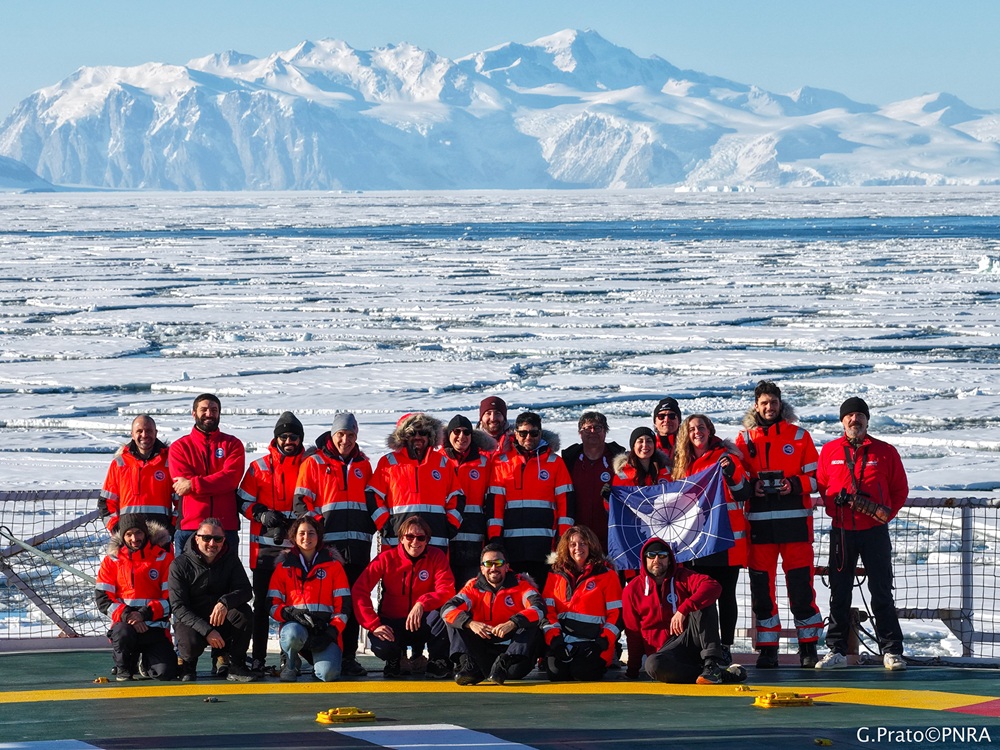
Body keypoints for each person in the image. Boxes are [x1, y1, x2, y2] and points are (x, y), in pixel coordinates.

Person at [815, 397, 909, 672]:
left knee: (881, 591)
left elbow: (899, 490)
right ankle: (836, 650)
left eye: (859, 415)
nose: (854, 420)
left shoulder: (885, 452)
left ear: (867, 419)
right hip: (842, 531)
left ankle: (891, 651)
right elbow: (823, 486)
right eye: (850, 416)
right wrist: (836, 508)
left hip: (874, 532)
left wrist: (883, 515)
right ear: (842, 421)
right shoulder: (829, 451)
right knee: (839, 592)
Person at [735, 381, 823, 669]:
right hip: (759, 528)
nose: (769, 407)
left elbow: (818, 479)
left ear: (780, 404)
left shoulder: (799, 436)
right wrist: (753, 486)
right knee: (762, 590)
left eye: (773, 402)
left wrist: (792, 484)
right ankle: (768, 649)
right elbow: (736, 480)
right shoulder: (744, 440)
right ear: (756, 405)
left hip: (795, 524)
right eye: (764, 403)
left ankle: (808, 647)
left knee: (801, 588)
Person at [293, 412, 374, 677]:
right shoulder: (314, 462)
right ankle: (308, 652)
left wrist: (369, 527)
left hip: (359, 548)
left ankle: (348, 657)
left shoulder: (364, 464)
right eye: (341, 434)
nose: (346, 440)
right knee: (324, 604)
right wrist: (321, 536)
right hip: (328, 551)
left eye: (351, 435)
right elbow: (301, 504)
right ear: (332, 434)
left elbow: (372, 502)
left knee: (349, 605)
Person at [672, 414, 750, 666]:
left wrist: (730, 474)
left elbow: (744, 491)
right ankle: (706, 647)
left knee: (726, 596)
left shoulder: (726, 456)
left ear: (710, 430)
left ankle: (725, 646)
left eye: (701, 428)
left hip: (725, 541)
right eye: (692, 429)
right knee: (701, 597)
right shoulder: (682, 463)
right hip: (696, 543)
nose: (697, 432)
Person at [622, 537, 747, 685]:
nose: (657, 560)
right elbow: (633, 633)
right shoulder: (632, 590)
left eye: (662, 555)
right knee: (653, 665)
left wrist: (684, 608)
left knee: (704, 600)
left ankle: (711, 664)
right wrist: (633, 670)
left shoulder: (683, 576)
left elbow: (713, 586)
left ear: (669, 559)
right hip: (664, 654)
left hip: (690, 641)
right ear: (644, 559)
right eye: (651, 555)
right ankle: (719, 676)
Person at [237, 411, 306, 673]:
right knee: (263, 606)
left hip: (297, 551)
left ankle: (290, 656)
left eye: (294, 436)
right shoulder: (259, 467)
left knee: (294, 605)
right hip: (264, 552)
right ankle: (258, 657)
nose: (289, 440)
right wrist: (261, 513)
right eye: (284, 436)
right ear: (276, 438)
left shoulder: (309, 466)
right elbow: (242, 500)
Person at [352, 515, 456, 678]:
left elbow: (447, 590)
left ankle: (437, 661)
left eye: (421, 537)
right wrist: (373, 624)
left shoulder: (436, 556)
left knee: (446, 617)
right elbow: (360, 590)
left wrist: (422, 603)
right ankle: (394, 660)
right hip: (392, 623)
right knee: (382, 646)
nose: (415, 542)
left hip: (422, 622)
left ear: (427, 540)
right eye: (410, 537)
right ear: (401, 538)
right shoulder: (386, 558)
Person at [487, 411, 574, 591]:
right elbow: (495, 505)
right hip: (512, 546)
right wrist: (495, 539)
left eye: (534, 433)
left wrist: (563, 540)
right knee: (513, 596)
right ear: (515, 433)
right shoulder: (501, 462)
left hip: (544, 546)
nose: (528, 437)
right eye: (523, 433)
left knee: (545, 594)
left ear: (540, 434)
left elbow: (566, 504)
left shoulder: (555, 463)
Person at [168, 518, 257, 682]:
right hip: (192, 620)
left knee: (243, 614)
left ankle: (235, 663)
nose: (212, 543)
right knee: (190, 644)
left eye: (218, 539)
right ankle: (188, 662)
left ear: (224, 540)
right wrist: (207, 630)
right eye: (206, 538)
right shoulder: (179, 565)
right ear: (196, 538)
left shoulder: (231, 560)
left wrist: (225, 602)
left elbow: (245, 591)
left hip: (220, 618)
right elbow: (178, 607)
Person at [442, 543, 544, 685]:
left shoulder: (522, 586)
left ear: (507, 566)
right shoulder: (472, 587)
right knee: (454, 619)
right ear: (482, 568)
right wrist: (469, 623)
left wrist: (513, 623)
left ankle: (503, 662)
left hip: (513, 656)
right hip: (484, 646)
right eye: (489, 564)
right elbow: (447, 609)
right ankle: (469, 667)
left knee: (532, 620)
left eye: (498, 563)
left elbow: (539, 608)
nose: (494, 568)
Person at [268, 514, 350, 682]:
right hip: (297, 629)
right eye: (302, 533)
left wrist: (331, 633)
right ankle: (291, 664)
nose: (307, 537)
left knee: (328, 675)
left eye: (311, 533)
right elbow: (271, 604)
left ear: (318, 536)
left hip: (324, 630)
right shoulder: (283, 567)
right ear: (294, 537)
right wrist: (289, 613)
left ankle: (317, 658)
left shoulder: (334, 566)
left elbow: (343, 606)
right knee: (291, 634)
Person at [367, 412, 463, 553]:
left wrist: (451, 525)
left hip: (434, 540)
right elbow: (373, 495)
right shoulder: (388, 462)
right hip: (397, 540)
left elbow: (457, 496)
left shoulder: (442, 463)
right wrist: (385, 525)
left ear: (431, 436)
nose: (418, 437)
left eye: (423, 432)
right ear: (403, 437)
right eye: (412, 433)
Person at [95, 515, 176, 681]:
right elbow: (103, 599)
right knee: (122, 635)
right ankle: (124, 666)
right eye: (129, 534)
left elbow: (172, 598)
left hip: (155, 627)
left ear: (145, 533)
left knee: (166, 673)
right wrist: (129, 615)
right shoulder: (112, 560)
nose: (134, 538)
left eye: (138, 533)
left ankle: (145, 662)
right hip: (126, 627)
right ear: (122, 536)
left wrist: (144, 615)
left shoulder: (163, 558)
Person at [541, 525, 622, 681]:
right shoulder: (555, 575)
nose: (578, 548)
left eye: (583, 543)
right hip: (563, 642)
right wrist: (556, 641)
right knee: (557, 674)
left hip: (594, 644)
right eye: (573, 544)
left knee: (582, 673)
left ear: (591, 545)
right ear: (566, 548)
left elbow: (616, 615)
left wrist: (601, 643)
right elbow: (548, 612)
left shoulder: (607, 575)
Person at [169, 394, 245, 555]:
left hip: (225, 528)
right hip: (190, 526)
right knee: (186, 578)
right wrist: (216, 482)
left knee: (225, 580)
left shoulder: (233, 444)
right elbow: (181, 484)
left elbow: (230, 479)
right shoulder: (179, 447)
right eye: (204, 409)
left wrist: (193, 484)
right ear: (194, 413)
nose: (209, 414)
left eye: (214, 410)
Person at [98, 415, 174, 535]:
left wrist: (172, 529)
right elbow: (106, 503)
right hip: (130, 538)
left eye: (149, 431)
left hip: (160, 537)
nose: (144, 435)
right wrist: (118, 530)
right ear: (132, 434)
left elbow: (182, 501)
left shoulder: (169, 462)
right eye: (139, 431)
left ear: (156, 433)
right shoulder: (119, 463)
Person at [561, 411, 625, 554]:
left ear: (605, 432)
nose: (592, 431)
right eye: (587, 428)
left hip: (610, 537)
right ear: (580, 433)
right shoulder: (569, 460)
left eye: (598, 428)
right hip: (578, 541)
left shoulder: (619, 460)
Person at [443, 414, 495, 586]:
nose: (461, 437)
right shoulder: (438, 460)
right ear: (449, 434)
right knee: (445, 588)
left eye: (466, 432)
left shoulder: (484, 462)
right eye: (456, 432)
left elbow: (491, 500)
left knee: (471, 588)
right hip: (445, 537)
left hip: (474, 538)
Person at [652, 397, 682, 465]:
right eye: (661, 416)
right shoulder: (648, 447)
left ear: (679, 421)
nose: (666, 420)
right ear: (655, 422)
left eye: (672, 416)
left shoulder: (689, 445)